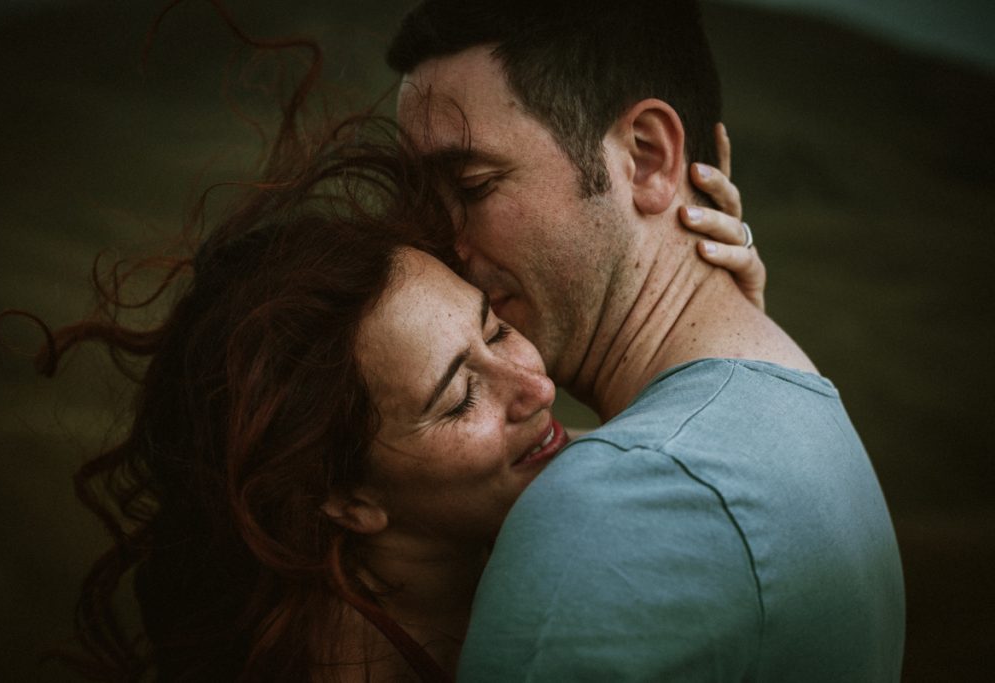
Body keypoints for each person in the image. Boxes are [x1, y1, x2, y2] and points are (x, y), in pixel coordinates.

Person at [14, 57, 757, 680]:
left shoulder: (489, 564)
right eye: (460, 394)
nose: (534, 385)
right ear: (346, 499)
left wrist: (720, 323)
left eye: (495, 329)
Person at [387, 0, 905, 680]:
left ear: (647, 157)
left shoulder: (622, 504)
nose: (439, 242)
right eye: (422, 199)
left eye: (471, 185)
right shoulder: (786, 399)